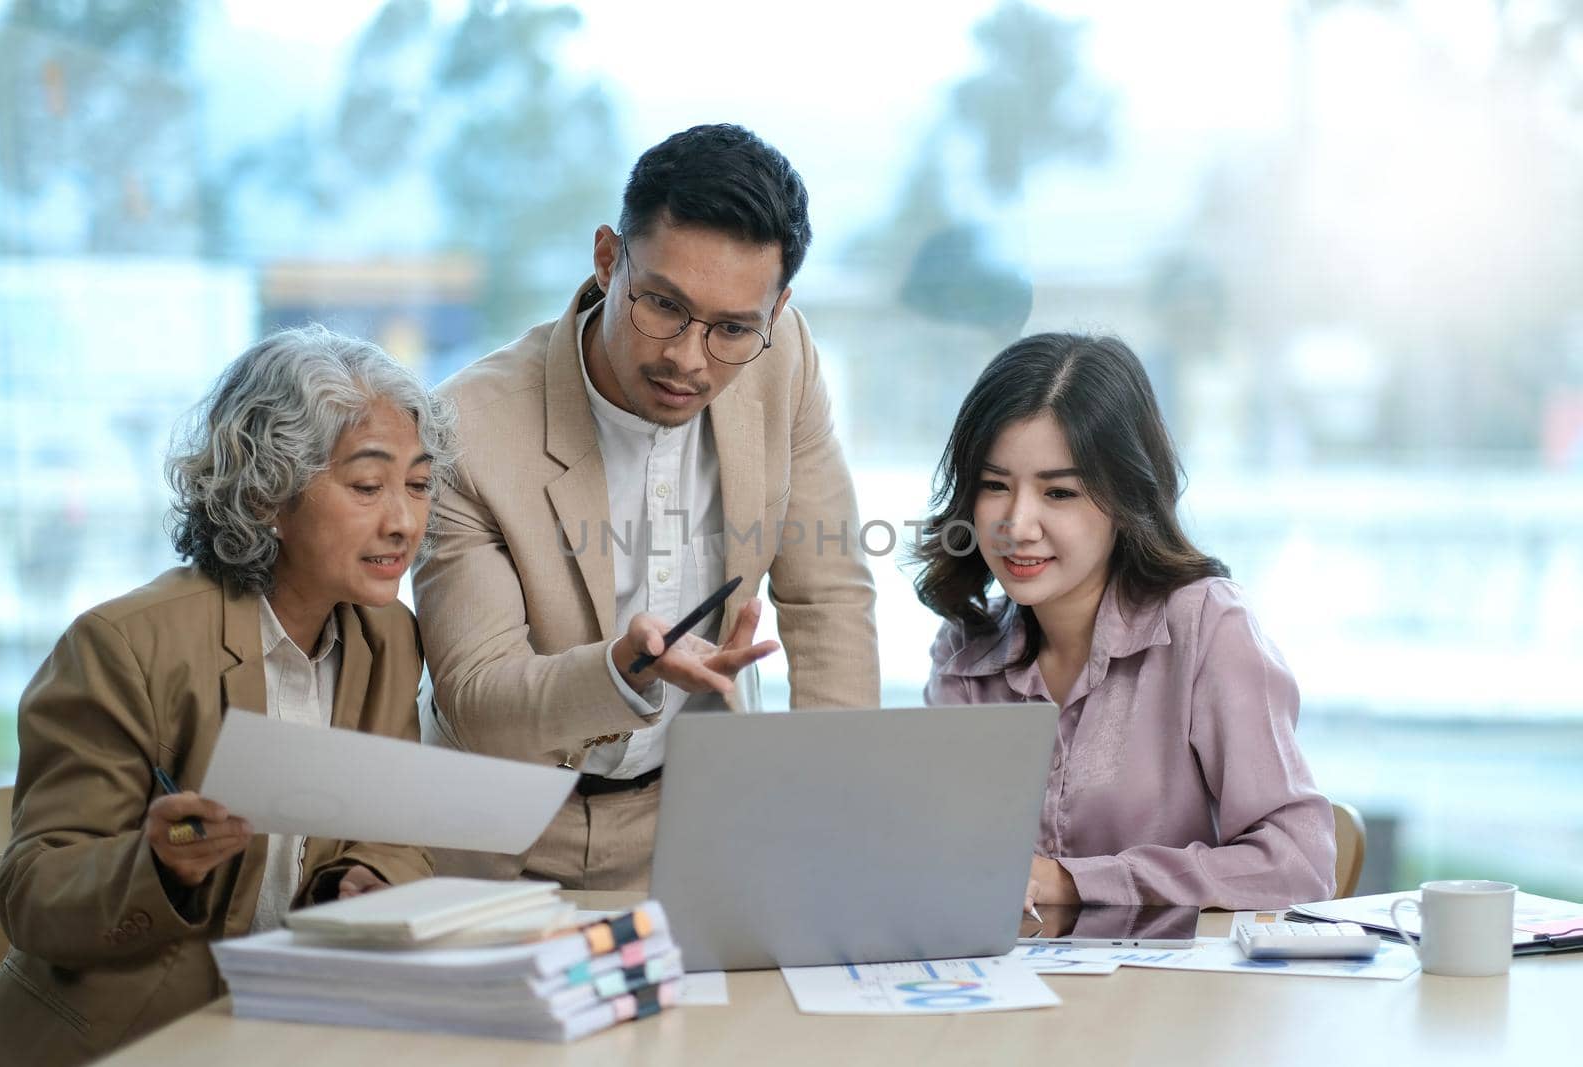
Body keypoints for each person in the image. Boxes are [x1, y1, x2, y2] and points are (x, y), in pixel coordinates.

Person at [413, 123, 879, 890]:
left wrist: (829, 812)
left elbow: (827, 596)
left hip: (692, 822)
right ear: (607, 259)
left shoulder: (783, 359)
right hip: (497, 831)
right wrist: (622, 671)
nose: (687, 358)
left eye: (732, 327)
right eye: (663, 304)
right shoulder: (469, 427)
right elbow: (476, 696)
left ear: (777, 307)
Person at [0, 326, 458, 1066]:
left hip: (295, 1030)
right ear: (269, 494)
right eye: (368, 486)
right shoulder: (125, 645)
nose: (404, 520)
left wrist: (361, 881)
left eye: (419, 484)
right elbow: (32, 890)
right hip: (127, 1041)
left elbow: (390, 832)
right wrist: (162, 863)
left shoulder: (389, 635)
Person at [916, 333, 1335, 910]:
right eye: (994, 486)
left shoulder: (1206, 626)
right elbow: (942, 859)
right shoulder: (964, 651)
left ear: (1125, 495)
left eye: (1059, 492)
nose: (1018, 523)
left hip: (1175, 996)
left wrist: (1072, 885)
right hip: (1004, 989)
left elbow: (1299, 866)